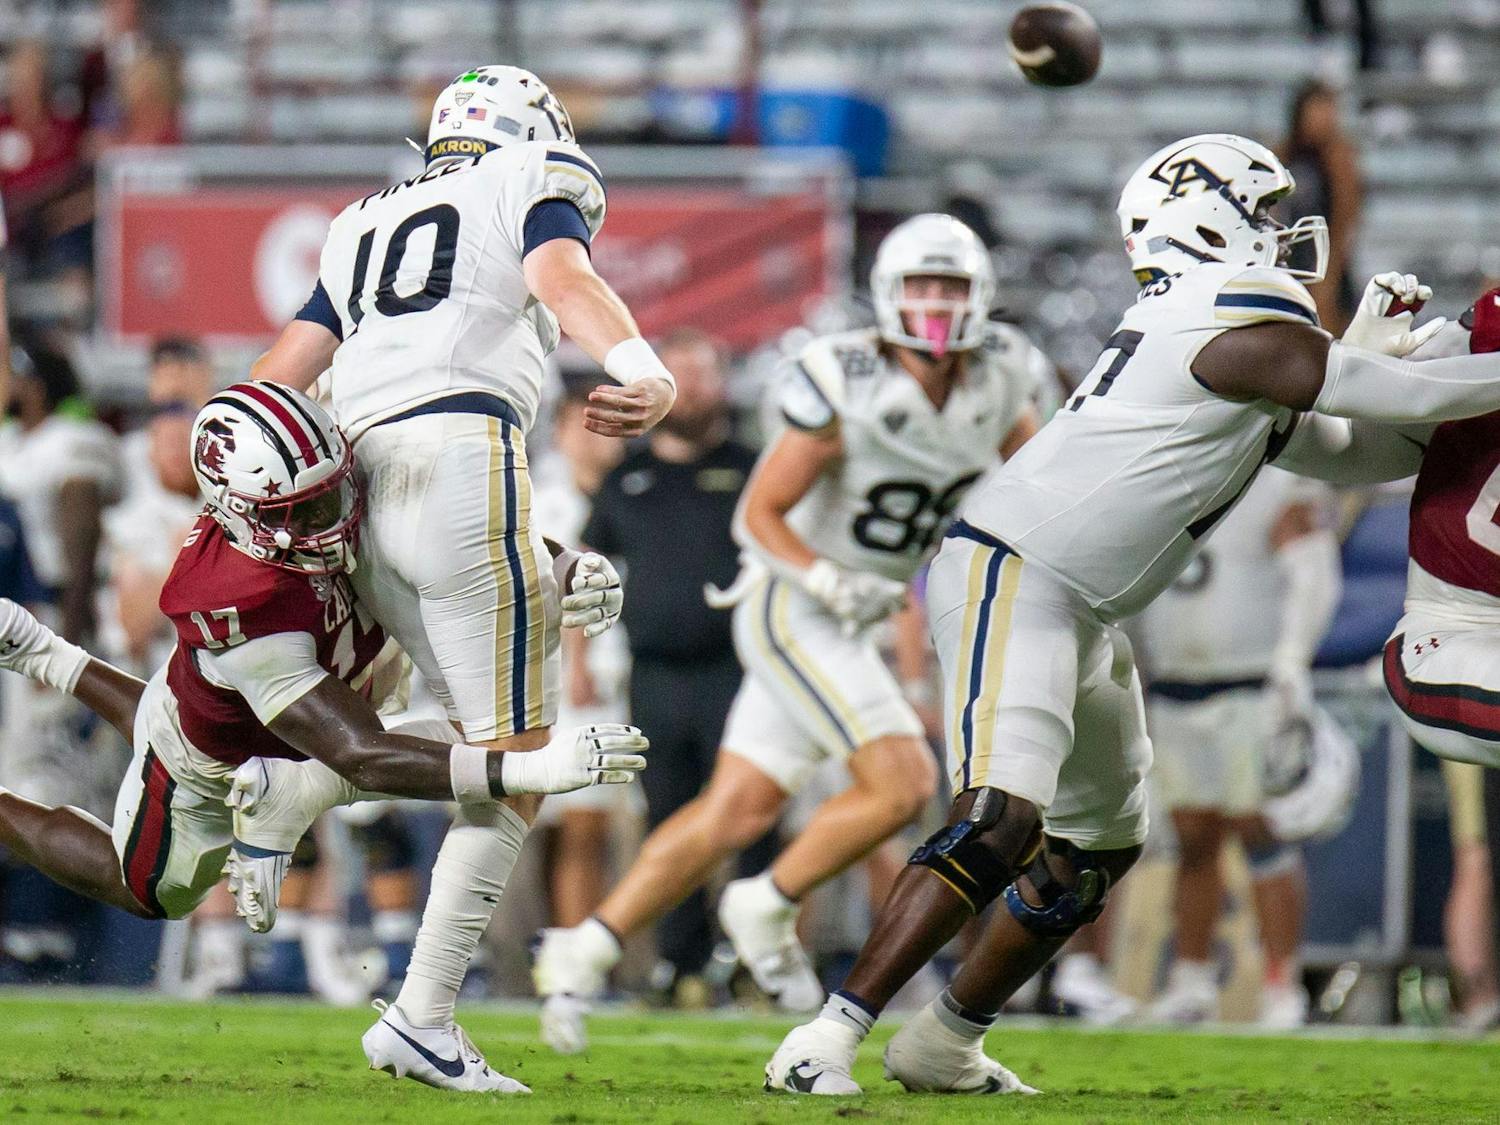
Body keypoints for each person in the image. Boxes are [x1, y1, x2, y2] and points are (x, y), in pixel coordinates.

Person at [765, 131, 1500, 1096]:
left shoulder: (1220, 324)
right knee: (998, 820)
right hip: (1015, 572)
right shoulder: (1227, 310)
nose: (1282, 234)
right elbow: (1373, 396)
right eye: (1264, 213)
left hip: (1082, 603)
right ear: (1208, 219)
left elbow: (1360, 450)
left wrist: (1382, 363)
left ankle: (945, 1041)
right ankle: (824, 1037)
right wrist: (1389, 367)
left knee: (1097, 848)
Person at [0, 383, 645, 1088]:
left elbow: (461, 539)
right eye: (300, 510)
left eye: (331, 491)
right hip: (220, 755)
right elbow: (359, 753)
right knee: (153, 886)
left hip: (311, 697)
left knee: (462, 725)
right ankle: (40, 676)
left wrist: (559, 563)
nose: (329, 517)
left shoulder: (336, 481)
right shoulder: (240, 599)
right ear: (240, 514)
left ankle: (45, 651)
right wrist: (531, 769)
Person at [246, 65, 675, 1091]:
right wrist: (641, 365)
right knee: (518, 761)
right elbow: (562, 275)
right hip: (461, 456)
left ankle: (298, 785)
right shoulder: (534, 170)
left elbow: (279, 370)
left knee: (450, 710)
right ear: (532, 127)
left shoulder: (362, 218)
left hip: (354, 478)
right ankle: (424, 1014)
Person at [535, 215, 1045, 1053]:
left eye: (951, 287)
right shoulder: (844, 379)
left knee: (734, 808)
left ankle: (581, 949)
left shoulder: (1000, 379)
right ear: (886, 292)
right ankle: (765, 900)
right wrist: (821, 576)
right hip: (798, 603)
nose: (936, 304)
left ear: (981, 296)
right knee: (900, 782)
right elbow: (757, 513)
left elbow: (1032, 491)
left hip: (854, 611)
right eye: (921, 284)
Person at [535, 329, 757, 1026]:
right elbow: (588, 571)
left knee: (750, 814)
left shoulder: (756, 466)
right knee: (667, 814)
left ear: (724, 383)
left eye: (702, 372)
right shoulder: (627, 475)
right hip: (653, 672)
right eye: (678, 373)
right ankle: (680, 963)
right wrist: (574, 660)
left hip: (741, 669)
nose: (689, 387)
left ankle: (752, 961)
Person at [1136, 467, 1342, 1028]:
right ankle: (1192, 977)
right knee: (1193, 834)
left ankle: (1281, 985)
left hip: (1250, 678)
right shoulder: (1157, 476)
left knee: (1260, 829)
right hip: (1176, 679)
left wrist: (1293, 658)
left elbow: (1313, 570)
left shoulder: (1275, 476)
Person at [1280, 81, 1362, 336]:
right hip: (1290, 254)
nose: (1326, 118)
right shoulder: (1284, 153)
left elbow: (1346, 216)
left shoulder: (1338, 158)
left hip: (1325, 257)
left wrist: (1331, 271)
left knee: (1327, 334)